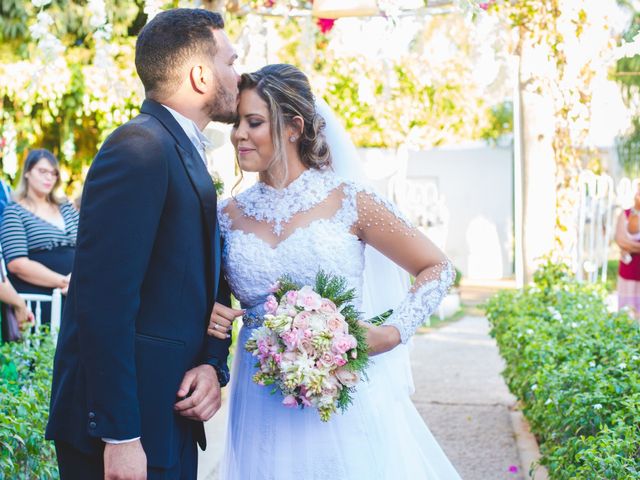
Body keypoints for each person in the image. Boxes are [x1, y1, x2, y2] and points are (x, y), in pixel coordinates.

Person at [210, 64, 461, 479]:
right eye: (236, 123)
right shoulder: (226, 215)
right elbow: (210, 296)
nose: (238, 135)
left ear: (293, 127)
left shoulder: (350, 200)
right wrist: (210, 313)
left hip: (342, 390)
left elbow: (437, 267)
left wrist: (394, 331)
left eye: (253, 122)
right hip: (261, 398)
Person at [46, 8, 240, 480]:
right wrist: (121, 437)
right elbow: (101, 300)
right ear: (200, 76)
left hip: (166, 413)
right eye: (231, 62)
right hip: (124, 433)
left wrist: (214, 365)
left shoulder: (179, 149)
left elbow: (203, 283)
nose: (240, 74)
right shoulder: (137, 148)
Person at [0, 149, 78, 324]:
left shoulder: (66, 207)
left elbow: (89, 245)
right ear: (27, 172)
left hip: (77, 295)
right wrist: (64, 281)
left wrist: (78, 278)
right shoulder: (15, 212)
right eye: (42, 171)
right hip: (44, 299)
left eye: (53, 173)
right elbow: (17, 264)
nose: (49, 177)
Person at [615, 185, 640, 316]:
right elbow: (620, 240)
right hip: (628, 274)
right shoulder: (625, 214)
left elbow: (626, 243)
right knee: (627, 316)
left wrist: (630, 247)